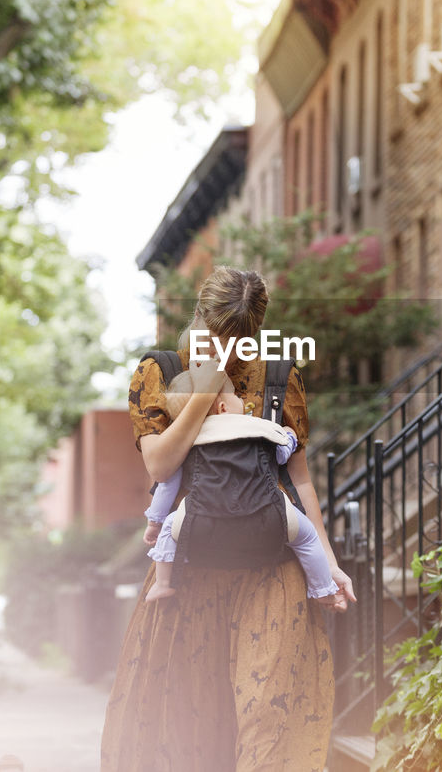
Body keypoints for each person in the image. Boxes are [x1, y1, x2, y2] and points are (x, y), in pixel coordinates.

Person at [101, 266, 355, 772]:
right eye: (219, 337)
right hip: (192, 565)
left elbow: (300, 480)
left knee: (269, 713)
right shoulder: (161, 371)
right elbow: (160, 464)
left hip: (272, 566)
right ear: (201, 320)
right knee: (190, 724)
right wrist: (205, 388)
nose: (228, 349)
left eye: (240, 340)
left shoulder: (281, 378)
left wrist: (328, 561)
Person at [141, 369, 339, 605]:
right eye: (235, 395)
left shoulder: (186, 443)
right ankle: (324, 589)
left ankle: (163, 584)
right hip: (268, 515)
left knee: (169, 530)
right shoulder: (261, 428)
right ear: (223, 408)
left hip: (202, 519)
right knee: (307, 538)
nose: (242, 400)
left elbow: (167, 485)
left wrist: (155, 522)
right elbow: (283, 454)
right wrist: (289, 434)